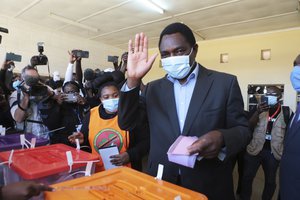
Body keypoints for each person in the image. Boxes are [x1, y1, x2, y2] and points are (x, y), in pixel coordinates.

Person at [117, 23, 251, 200]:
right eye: (166, 54)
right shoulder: (152, 89)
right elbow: (126, 123)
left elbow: (243, 130)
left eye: (179, 51)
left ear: (194, 50)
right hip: (161, 180)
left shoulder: (224, 84)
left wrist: (222, 137)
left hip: (208, 182)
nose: (172, 57)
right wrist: (133, 80)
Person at [68, 72, 149, 172]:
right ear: (101, 99)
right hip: (98, 171)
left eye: (115, 96)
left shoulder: (133, 114)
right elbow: (86, 143)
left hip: (129, 170)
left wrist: (130, 155)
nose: (111, 99)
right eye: (106, 97)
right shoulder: (92, 115)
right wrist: (81, 140)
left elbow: (146, 142)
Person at [240, 86, 292, 200]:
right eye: (266, 93)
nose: (268, 96)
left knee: (270, 182)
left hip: (273, 152)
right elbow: (249, 126)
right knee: (247, 178)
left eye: (272, 94)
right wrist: (257, 112)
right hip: (255, 149)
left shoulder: (287, 112)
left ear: (279, 97)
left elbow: (289, 134)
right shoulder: (258, 109)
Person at [8, 65, 55, 138]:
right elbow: (18, 118)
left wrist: (50, 94)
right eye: (30, 78)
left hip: (45, 136)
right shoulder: (17, 94)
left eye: (35, 79)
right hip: (26, 137)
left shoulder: (45, 89)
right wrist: (26, 97)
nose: (33, 81)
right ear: (22, 79)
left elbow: (58, 99)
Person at [280, 54, 300, 200]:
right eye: (295, 65)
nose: (296, 71)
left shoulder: (287, 112)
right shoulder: (297, 109)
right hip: (288, 187)